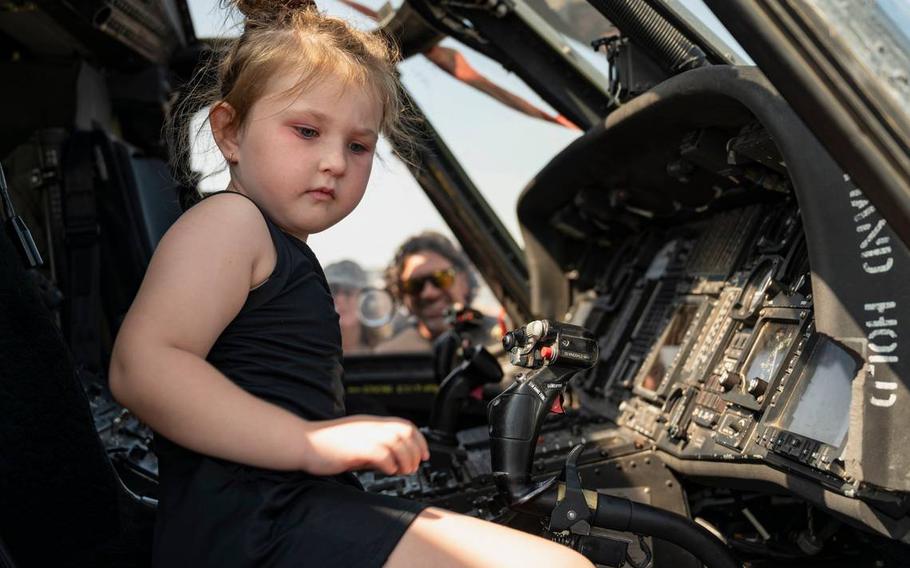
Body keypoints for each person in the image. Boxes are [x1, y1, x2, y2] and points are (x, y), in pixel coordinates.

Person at [108, 2, 591, 567]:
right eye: (307, 131)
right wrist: (309, 443)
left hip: (276, 511)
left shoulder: (274, 242)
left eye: (358, 145)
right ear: (229, 132)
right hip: (257, 524)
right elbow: (142, 366)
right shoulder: (229, 223)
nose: (335, 161)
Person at [376, 231, 500, 353]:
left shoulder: (500, 336)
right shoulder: (394, 354)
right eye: (414, 285)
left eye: (441, 278)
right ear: (402, 293)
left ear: (464, 280)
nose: (429, 293)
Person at [324, 259, 373, 353]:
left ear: (366, 300)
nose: (340, 299)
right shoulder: (308, 355)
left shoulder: (385, 351)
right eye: (333, 290)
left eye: (348, 291)